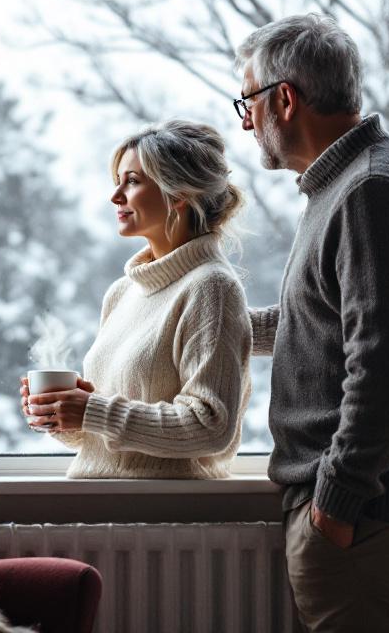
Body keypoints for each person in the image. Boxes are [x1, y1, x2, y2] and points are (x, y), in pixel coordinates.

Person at [235, 13, 389, 632]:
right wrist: (201, 325)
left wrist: (336, 504)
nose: (245, 122)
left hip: (369, 522)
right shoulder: (350, 183)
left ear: (284, 100)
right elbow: (319, 325)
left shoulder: (370, 192)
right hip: (369, 518)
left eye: (247, 102)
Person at [21, 120, 253, 479]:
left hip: (161, 515)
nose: (116, 196)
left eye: (131, 181)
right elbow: (114, 436)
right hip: (98, 507)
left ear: (176, 193)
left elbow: (210, 426)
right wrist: (65, 415)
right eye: (118, 182)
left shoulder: (212, 288)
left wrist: (93, 410)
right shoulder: (122, 293)